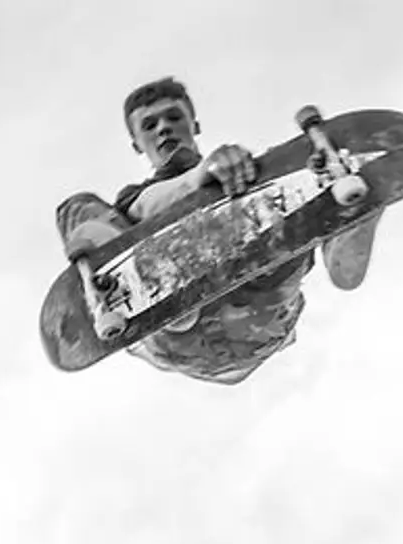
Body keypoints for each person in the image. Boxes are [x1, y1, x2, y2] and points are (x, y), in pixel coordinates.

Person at [55, 76, 386, 386]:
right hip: (179, 340)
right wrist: (199, 175)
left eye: (173, 117)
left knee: (278, 198)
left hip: (263, 317)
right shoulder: (134, 201)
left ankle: (349, 193)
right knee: (80, 209)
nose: (163, 129)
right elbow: (143, 208)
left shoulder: (257, 177)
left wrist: (359, 209)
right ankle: (155, 298)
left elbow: (347, 277)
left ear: (194, 125)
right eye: (149, 125)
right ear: (136, 144)